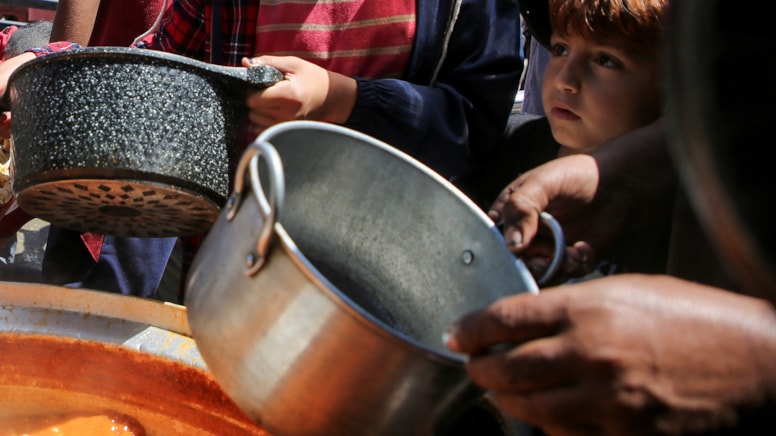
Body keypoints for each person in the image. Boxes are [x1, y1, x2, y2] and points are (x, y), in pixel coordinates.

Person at [0, 0, 524, 300]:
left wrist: (343, 100)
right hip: (221, 254)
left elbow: (475, 124)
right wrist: (49, 67)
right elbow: (159, 59)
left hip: (364, 285)